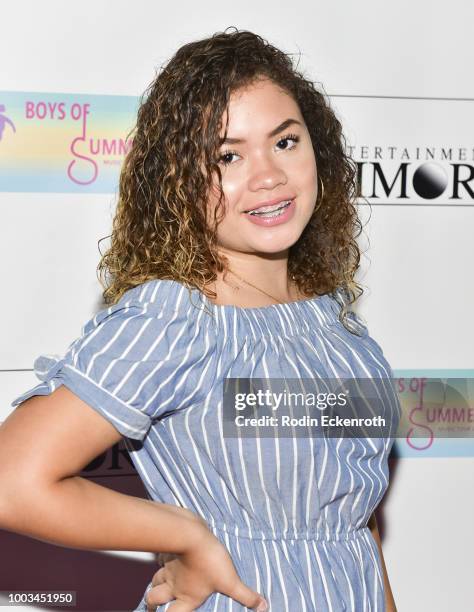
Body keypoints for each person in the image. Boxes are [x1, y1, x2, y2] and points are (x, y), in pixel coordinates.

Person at [0, 28, 400, 612]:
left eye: (285, 142)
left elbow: (355, 529)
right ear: (180, 179)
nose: (267, 176)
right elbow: (13, 480)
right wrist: (181, 534)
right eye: (227, 156)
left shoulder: (334, 323)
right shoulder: (174, 319)